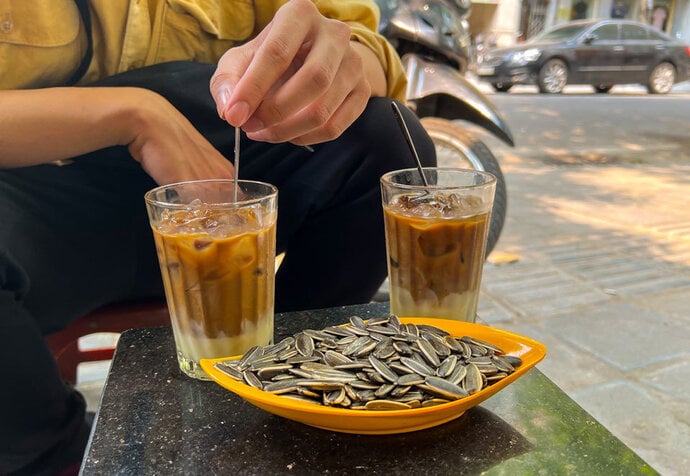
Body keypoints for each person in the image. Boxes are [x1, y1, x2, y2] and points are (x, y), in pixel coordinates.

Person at [0, 0, 436, 474]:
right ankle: (61, 459)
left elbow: (366, 48)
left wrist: (331, 69)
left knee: (385, 136)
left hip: (218, 170)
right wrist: (135, 114)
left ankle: (295, 384)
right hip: (28, 194)